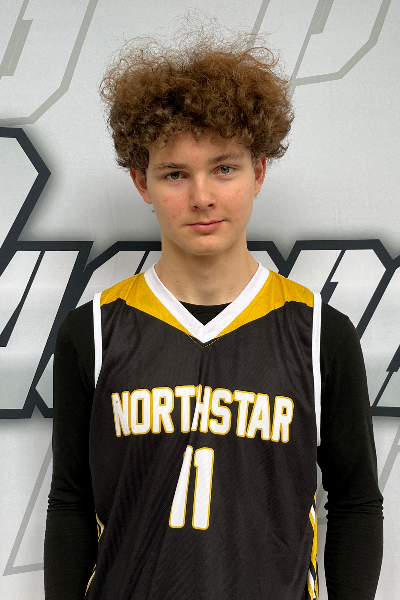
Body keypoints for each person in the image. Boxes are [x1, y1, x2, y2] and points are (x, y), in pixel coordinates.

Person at [44, 13, 383, 600]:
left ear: (259, 170)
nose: (202, 197)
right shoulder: (92, 331)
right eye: (175, 174)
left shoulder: (319, 334)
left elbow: (355, 502)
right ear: (142, 183)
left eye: (224, 168)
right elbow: (71, 501)